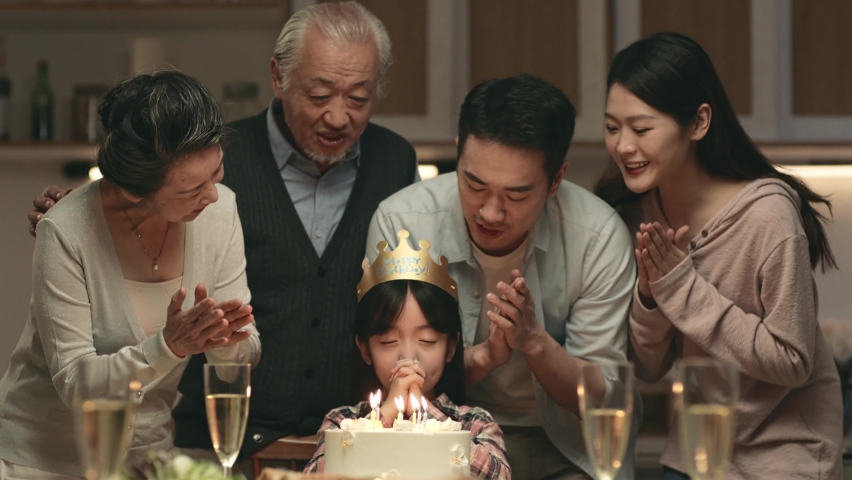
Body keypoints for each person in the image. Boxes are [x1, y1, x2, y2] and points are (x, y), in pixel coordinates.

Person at [26, 1, 418, 457]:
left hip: (349, 432)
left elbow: (403, 297)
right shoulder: (204, 156)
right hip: (213, 434)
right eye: (319, 95)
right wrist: (78, 214)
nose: (337, 116)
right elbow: (136, 188)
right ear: (278, 77)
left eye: (358, 98)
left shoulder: (394, 162)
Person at [595, 32, 842, 479]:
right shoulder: (637, 214)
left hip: (786, 459)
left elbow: (793, 359)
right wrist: (651, 299)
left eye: (642, 128)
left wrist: (683, 289)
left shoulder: (768, 216)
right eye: (613, 128)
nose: (623, 146)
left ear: (699, 122)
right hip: (696, 454)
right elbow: (650, 370)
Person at [365, 75, 639, 480]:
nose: (490, 213)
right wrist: (485, 357)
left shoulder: (596, 237)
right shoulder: (403, 225)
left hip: (567, 446)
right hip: (440, 431)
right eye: (474, 185)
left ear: (557, 179)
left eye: (515, 196)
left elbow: (601, 396)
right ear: (458, 155)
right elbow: (397, 370)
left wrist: (534, 342)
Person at [0, 70, 260, 479]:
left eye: (218, 171)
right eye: (191, 189)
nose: (211, 194)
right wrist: (168, 347)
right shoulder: (66, 230)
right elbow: (75, 384)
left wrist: (225, 341)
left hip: (146, 459)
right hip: (45, 460)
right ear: (137, 191)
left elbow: (242, 356)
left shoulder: (220, 211)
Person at [304, 230, 510, 479]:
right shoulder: (343, 421)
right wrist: (385, 416)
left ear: (451, 346)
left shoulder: (474, 423)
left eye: (427, 340)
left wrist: (425, 416)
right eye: (389, 341)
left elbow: (497, 475)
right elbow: (317, 475)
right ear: (365, 349)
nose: (408, 358)